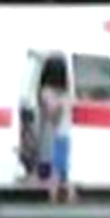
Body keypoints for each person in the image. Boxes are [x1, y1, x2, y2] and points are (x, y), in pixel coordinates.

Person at [39, 65, 75, 203]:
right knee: (67, 170)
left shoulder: (52, 96)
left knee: (57, 169)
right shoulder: (69, 95)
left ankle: (53, 198)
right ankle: (70, 198)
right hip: (70, 135)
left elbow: (53, 117)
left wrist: (51, 111)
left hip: (61, 134)